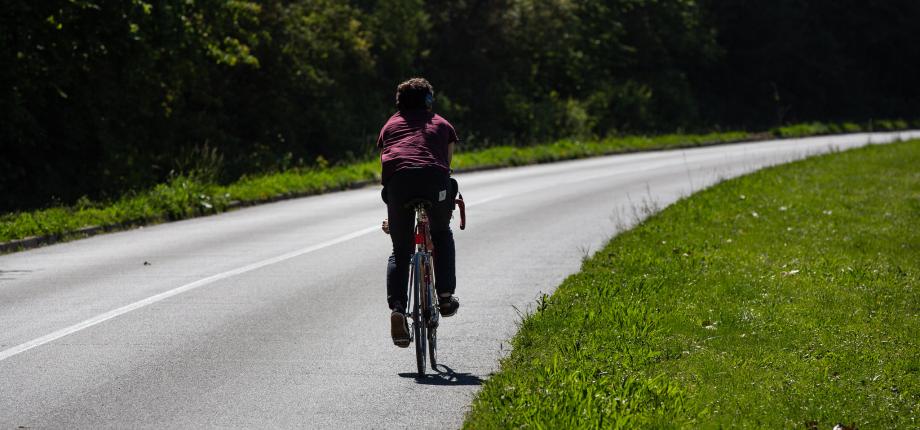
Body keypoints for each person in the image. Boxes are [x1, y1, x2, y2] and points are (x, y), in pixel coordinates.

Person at [376, 77, 460, 348]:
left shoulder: (389, 125)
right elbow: (446, 166)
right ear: (428, 101)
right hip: (435, 182)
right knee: (441, 232)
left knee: (401, 250)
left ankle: (398, 309)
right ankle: (445, 297)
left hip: (399, 186)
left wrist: (396, 216)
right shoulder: (442, 124)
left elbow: (388, 165)